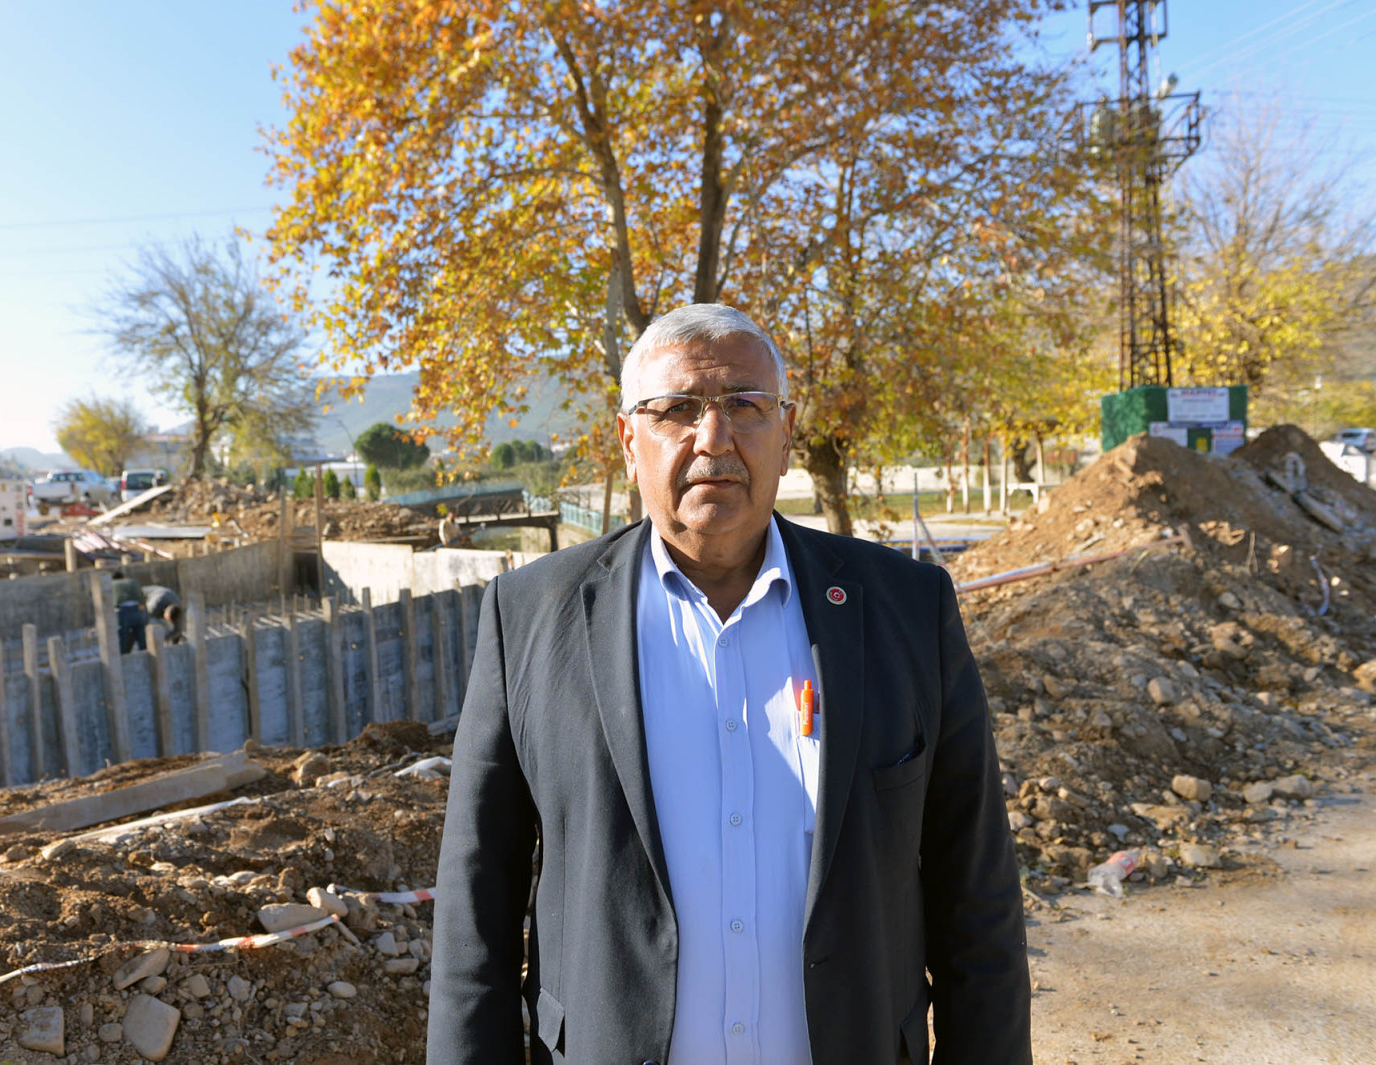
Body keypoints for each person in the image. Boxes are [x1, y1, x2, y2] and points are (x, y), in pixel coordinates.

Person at [427, 304, 1028, 1065]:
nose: (713, 438)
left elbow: (978, 903)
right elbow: (476, 910)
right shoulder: (529, 618)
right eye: (676, 409)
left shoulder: (906, 610)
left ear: (786, 432)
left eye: (745, 405)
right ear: (629, 440)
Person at [111, 570, 147, 653]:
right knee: (141, 638)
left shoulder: (112, 584)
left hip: (123, 611)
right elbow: (141, 596)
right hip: (137, 610)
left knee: (123, 638)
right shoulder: (132, 582)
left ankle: (123, 657)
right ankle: (147, 656)